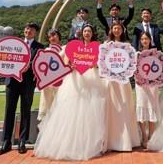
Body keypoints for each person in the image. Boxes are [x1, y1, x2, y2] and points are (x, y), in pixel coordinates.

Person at [33, 24, 108, 160]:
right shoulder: (72, 46)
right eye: (85, 31)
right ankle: (68, 144)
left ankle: (89, 143)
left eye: (89, 31)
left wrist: (93, 65)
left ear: (92, 34)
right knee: (71, 111)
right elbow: (66, 63)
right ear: (81, 33)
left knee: (90, 112)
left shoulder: (97, 47)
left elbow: (100, 64)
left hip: (91, 79)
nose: (87, 33)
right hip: (74, 80)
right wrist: (71, 65)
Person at [0, 22, 44, 155]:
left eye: (31, 29)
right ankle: (6, 141)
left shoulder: (40, 47)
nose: (28, 31)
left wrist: (28, 65)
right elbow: (4, 58)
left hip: (28, 83)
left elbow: (39, 64)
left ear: (35, 33)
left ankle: (23, 141)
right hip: (12, 82)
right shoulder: (14, 44)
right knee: (9, 110)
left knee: (25, 111)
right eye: (27, 28)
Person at [105, 22, 141, 151]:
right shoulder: (106, 45)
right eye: (114, 28)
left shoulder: (128, 45)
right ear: (111, 30)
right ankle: (113, 140)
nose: (116, 30)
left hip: (124, 81)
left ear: (122, 30)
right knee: (114, 108)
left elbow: (132, 62)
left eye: (119, 28)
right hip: (111, 81)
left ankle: (127, 140)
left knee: (125, 106)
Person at [135, 31, 160, 148]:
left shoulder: (156, 54)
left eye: (146, 39)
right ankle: (144, 136)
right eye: (142, 39)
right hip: (140, 86)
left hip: (153, 86)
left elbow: (160, 70)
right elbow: (133, 71)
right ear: (140, 41)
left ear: (150, 40)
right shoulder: (137, 54)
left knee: (152, 108)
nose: (144, 41)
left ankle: (152, 136)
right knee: (141, 108)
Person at [37, 28, 63, 121]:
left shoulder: (64, 49)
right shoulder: (46, 50)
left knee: (60, 109)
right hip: (48, 84)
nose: (52, 38)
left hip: (61, 83)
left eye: (54, 35)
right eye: (50, 36)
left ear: (59, 36)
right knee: (48, 107)